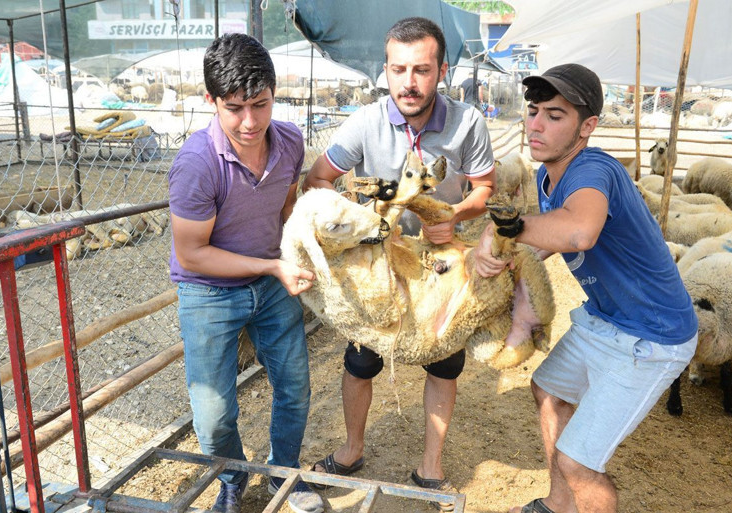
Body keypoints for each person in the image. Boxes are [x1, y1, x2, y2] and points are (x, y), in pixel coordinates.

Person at [474, 63, 698, 513]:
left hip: (649, 335)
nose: (535, 124)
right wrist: (516, 259)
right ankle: (559, 506)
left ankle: (574, 492)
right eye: (533, 110)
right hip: (604, 318)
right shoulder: (546, 174)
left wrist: (507, 229)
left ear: (587, 126)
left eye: (555, 116)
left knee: (579, 464)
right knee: (550, 392)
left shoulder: (593, 168)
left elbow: (579, 233)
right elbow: (555, 235)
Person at [304, 17, 496, 512]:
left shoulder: (467, 123)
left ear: (442, 71)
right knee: (361, 359)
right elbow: (319, 177)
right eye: (398, 70)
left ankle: (430, 468)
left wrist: (453, 213)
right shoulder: (366, 122)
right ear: (385, 71)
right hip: (380, 267)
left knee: (444, 362)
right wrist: (356, 217)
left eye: (421, 70)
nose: (409, 82)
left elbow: (485, 187)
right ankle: (351, 450)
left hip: (440, 266)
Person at [168, 33, 324, 513]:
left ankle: (284, 473)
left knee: (295, 387)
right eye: (235, 108)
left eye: (261, 104)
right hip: (209, 292)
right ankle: (233, 477)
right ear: (211, 100)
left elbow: (286, 204)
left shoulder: (291, 141)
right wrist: (273, 264)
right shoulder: (196, 164)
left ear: (275, 93)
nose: (250, 121)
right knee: (213, 417)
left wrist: (295, 248)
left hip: (271, 281)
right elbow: (193, 254)